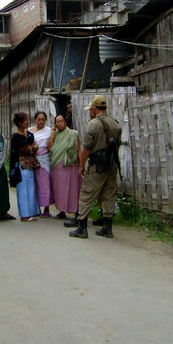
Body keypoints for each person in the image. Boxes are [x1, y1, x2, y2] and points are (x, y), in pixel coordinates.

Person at [65, 95, 121, 239]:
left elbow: (87, 148)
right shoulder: (115, 124)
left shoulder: (93, 125)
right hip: (112, 164)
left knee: (87, 194)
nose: (90, 111)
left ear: (95, 108)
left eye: (91, 109)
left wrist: (81, 165)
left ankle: (82, 227)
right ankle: (107, 228)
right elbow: (117, 147)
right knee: (109, 195)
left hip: (97, 165)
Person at [49, 114, 81, 219]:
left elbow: (78, 150)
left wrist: (82, 165)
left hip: (71, 166)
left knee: (73, 188)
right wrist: (52, 133)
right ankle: (62, 211)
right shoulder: (55, 135)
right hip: (58, 166)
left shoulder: (73, 134)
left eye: (61, 121)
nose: (60, 123)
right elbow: (49, 147)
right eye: (57, 122)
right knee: (59, 189)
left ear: (65, 122)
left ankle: (76, 211)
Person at [10, 112, 40, 222]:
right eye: (25, 120)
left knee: (31, 188)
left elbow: (33, 146)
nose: (27, 122)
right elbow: (28, 148)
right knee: (23, 190)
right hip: (20, 166)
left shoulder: (29, 134)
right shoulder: (16, 137)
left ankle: (32, 212)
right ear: (19, 123)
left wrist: (33, 147)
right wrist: (33, 147)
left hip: (30, 165)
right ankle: (25, 214)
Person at [29, 111, 54, 217]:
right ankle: (35, 208)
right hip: (32, 160)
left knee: (45, 184)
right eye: (39, 119)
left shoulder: (49, 131)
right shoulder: (30, 131)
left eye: (43, 119)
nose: (41, 121)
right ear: (35, 120)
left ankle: (46, 208)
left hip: (44, 159)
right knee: (34, 184)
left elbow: (50, 145)